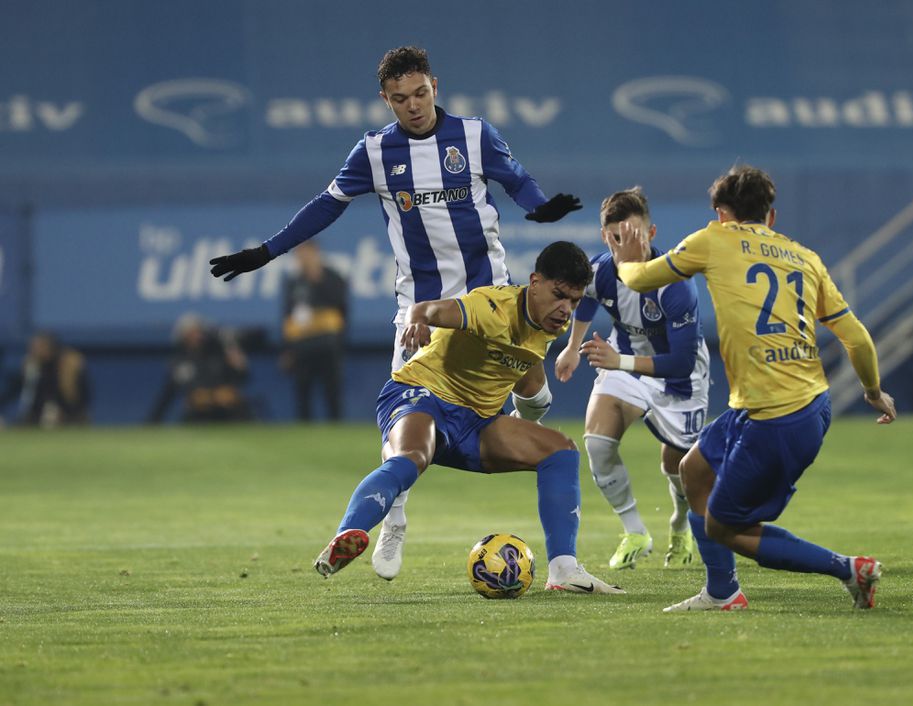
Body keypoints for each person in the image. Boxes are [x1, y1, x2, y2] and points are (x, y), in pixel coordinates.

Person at [210, 46, 581, 578]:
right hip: (420, 314)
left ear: (436, 86)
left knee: (537, 396)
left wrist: (539, 206)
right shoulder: (375, 152)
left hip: (491, 302)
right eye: (400, 99)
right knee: (405, 421)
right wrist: (265, 252)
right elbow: (326, 205)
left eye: (421, 94)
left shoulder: (474, 136)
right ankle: (393, 520)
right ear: (385, 100)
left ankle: (520, 424)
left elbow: (516, 180)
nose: (413, 106)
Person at [604, 164, 896, 611]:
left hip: (778, 418)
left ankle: (849, 569)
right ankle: (722, 593)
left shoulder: (713, 239)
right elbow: (856, 337)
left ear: (721, 213)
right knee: (694, 469)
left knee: (725, 526)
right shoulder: (805, 258)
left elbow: (641, 280)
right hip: (793, 404)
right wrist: (873, 391)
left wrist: (625, 261)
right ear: (771, 216)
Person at [313, 242, 623, 594]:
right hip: (423, 396)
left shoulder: (550, 323)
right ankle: (346, 535)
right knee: (412, 457)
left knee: (561, 451)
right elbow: (427, 308)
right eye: (559, 295)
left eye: (575, 301)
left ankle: (564, 571)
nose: (565, 309)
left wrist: (529, 414)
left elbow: (526, 372)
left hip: (477, 421)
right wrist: (416, 323)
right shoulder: (491, 306)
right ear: (535, 282)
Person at [555, 187, 709, 570]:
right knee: (597, 443)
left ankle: (679, 522)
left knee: (680, 467)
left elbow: (681, 362)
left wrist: (619, 361)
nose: (625, 245)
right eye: (615, 238)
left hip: (679, 378)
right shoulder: (600, 271)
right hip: (622, 360)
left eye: (634, 236)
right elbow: (589, 296)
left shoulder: (676, 284)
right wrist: (573, 346)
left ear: (652, 234)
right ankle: (635, 530)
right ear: (605, 237)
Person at [281, 242, 348, 421]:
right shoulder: (294, 282)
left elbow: (342, 309)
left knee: (332, 392)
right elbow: (288, 316)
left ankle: (336, 429)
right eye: (299, 255)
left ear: (315, 253)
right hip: (303, 345)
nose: (302, 259)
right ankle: (304, 434)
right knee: (303, 393)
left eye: (305, 254)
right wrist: (288, 349)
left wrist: (317, 279)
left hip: (328, 344)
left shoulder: (333, 278)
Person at [148, 313, 253, 424]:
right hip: (199, 414)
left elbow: (241, 378)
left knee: (239, 407)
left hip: (228, 411)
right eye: (192, 333)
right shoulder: (178, 361)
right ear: (183, 336)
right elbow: (174, 393)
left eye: (199, 331)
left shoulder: (218, 353)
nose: (197, 336)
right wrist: (209, 396)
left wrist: (239, 366)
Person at [0, 332, 90, 426]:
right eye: (33, 347)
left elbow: (83, 398)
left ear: (50, 347)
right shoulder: (32, 365)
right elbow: (15, 390)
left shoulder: (70, 364)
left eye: (39, 346)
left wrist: (63, 412)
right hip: (37, 416)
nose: (34, 350)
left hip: (70, 416)